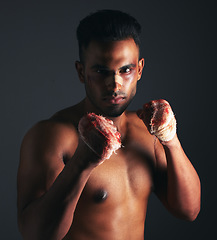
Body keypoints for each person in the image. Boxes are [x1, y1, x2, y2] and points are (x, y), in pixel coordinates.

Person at [17, 9, 201, 240]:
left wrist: (171, 139)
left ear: (140, 70)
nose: (114, 84)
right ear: (81, 72)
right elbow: (36, 235)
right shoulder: (52, 136)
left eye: (126, 70)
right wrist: (82, 163)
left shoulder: (149, 131)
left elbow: (189, 210)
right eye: (102, 71)